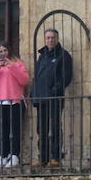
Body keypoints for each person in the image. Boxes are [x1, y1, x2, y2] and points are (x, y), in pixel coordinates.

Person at [0, 44, 29, 169]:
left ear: (10, 51)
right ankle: (3, 156)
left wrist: (12, 66)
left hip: (14, 101)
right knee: (1, 131)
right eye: (1, 51)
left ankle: (14, 155)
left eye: (5, 50)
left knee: (14, 130)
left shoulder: (18, 64)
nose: (3, 53)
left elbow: (24, 80)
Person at [33, 28, 74, 167]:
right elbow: (37, 76)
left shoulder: (63, 55)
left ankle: (56, 157)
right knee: (41, 129)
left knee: (55, 127)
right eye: (48, 38)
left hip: (54, 98)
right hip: (41, 98)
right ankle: (43, 158)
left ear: (57, 39)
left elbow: (66, 77)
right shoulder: (42, 56)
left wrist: (54, 90)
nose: (50, 40)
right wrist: (34, 93)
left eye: (52, 37)